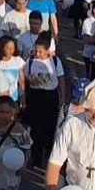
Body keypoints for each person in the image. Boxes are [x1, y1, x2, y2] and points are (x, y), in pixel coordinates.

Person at [25, 31, 69, 167]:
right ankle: (35, 157)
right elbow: (25, 77)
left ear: (47, 51)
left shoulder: (55, 62)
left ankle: (50, 157)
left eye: (40, 52)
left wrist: (62, 99)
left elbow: (61, 81)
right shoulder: (31, 60)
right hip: (35, 96)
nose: (37, 54)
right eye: (36, 51)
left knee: (51, 128)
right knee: (36, 129)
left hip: (50, 97)